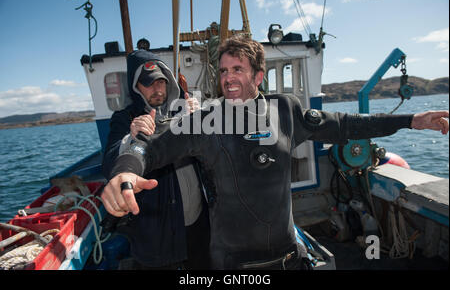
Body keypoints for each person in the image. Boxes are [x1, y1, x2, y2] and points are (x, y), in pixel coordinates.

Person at [101, 35, 449, 269]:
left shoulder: (285, 112)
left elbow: (344, 124)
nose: (228, 78)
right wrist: (125, 171)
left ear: (258, 74)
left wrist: (411, 120)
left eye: (237, 69)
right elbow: (152, 146)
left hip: (288, 257)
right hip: (230, 263)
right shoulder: (206, 120)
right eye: (223, 71)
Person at [101, 48, 209, 269]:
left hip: (198, 225)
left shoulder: (184, 111)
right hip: (156, 234)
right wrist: (130, 138)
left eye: (161, 82)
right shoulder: (125, 118)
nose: (157, 88)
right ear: (136, 87)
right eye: (149, 83)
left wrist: (200, 121)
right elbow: (109, 162)